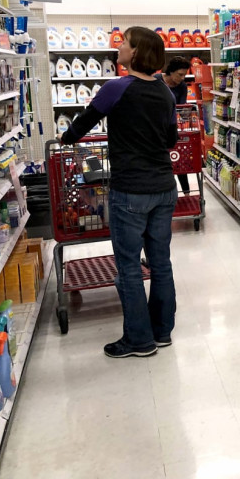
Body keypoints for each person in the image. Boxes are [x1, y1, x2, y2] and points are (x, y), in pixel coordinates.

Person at [60, 27, 178, 358]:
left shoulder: (116, 88)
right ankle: (162, 332)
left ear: (136, 52)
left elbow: (81, 124)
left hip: (130, 192)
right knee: (161, 263)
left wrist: (65, 140)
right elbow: (170, 140)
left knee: (127, 266)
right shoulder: (165, 93)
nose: (118, 48)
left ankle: (138, 341)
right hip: (164, 188)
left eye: (123, 44)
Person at [156, 56, 192, 195]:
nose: (182, 78)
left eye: (184, 75)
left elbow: (181, 108)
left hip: (172, 127)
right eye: (180, 74)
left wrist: (185, 112)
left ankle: (187, 193)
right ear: (171, 71)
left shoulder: (182, 86)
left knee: (179, 159)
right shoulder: (156, 80)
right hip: (157, 128)